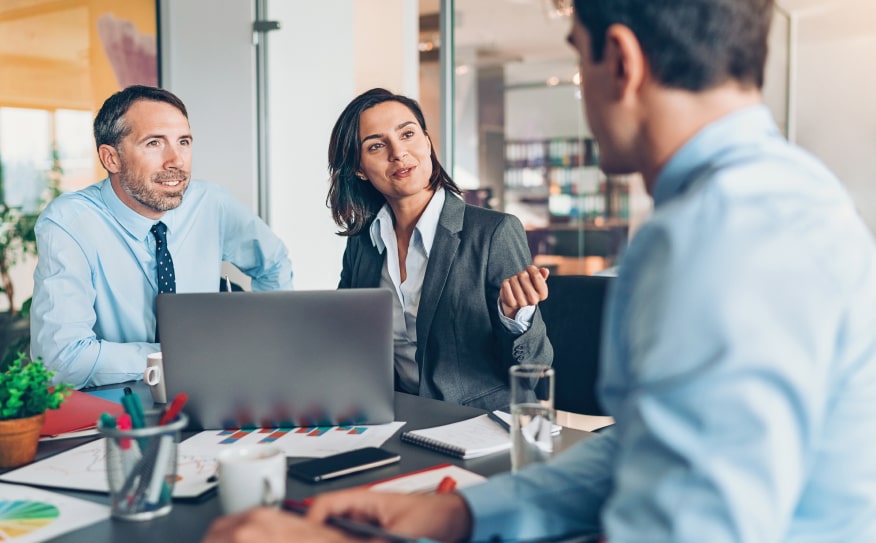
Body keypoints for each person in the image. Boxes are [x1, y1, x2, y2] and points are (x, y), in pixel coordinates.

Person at [202, 0, 876, 541]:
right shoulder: (757, 201)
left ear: (621, 59)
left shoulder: (720, 234)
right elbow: (639, 449)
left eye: (577, 57)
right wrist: (459, 514)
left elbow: (685, 523)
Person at [31, 85, 293, 389]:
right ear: (111, 158)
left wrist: (266, 343)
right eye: (154, 143)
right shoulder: (69, 223)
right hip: (117, 404)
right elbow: (62, 360)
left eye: (183, 142)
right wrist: (174, 357)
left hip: (208, 389)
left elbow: (273, 263)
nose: (176, 160)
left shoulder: (210, 203)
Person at [327, 87, 552, 411]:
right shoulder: (363, 243)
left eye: (407, 134)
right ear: (359, 169)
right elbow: (345, 339)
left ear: (427, 142)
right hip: (397, 418)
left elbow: (536, 372)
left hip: (479, 425)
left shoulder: (494, 233)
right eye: (376, 145)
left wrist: (517, 317)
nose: (398, 153)